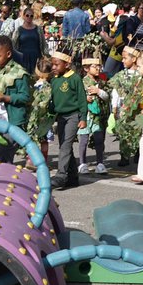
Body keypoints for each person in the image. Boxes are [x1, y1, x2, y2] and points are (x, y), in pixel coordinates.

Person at [0, 36, 32, 163]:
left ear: (8, 54)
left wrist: (6, 98)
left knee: (5, 157)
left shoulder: (19, 73)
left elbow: (25, 97)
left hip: (12, 122)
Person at [48, 50, 87, 189]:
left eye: (56, 64)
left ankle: (61, 176)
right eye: (52, 64)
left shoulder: (75, 78)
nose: (53, 67)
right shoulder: (54, 79)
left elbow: (82, 99)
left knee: (65, 145)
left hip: (73, 116)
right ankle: (73, 177)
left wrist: (83, 118)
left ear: (66, 64)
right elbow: (53, 100)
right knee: (65, 146)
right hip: (61, 117)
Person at [77, 56, 109, 175]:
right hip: (86, 116)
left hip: (98, 116)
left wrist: (99, 92)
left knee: (99, 139)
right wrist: (85, 98)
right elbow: (76, 97)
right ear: (86, 69)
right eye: (95, 67)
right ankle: (82, 164)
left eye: (99, 66)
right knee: (84, 140)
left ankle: (100, 163)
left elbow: (107, 97)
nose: (98, 69)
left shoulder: (102, 82)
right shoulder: (81, 82)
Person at [12, 5, 45, 73]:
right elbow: (14, 44)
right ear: (23, 16)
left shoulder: (38, 29)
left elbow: (43, 43)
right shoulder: (18, 30)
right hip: (23, 57)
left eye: (31, 16)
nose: (29, 17)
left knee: (35, 75)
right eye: (27, 15)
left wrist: (45, 55)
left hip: (36, 57)